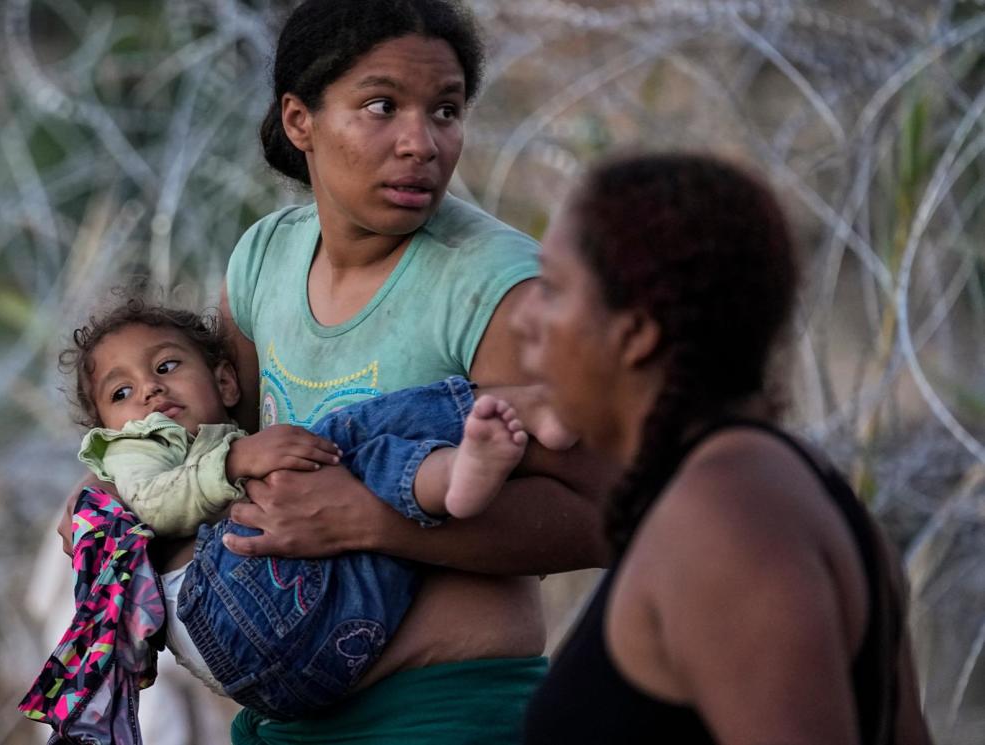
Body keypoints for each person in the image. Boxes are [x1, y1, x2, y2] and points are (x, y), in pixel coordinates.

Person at [68, 0, 608, 740]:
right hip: (291, 711)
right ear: (300, 120)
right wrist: (117, 501)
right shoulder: (264, 261)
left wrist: (373, 521)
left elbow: (601, 518)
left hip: (443, 710)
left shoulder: (496, 285)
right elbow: (225, 457)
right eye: (382, 106)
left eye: (445, 110)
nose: (420, 142)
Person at [517, 153, 932, 744]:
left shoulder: (725, 523)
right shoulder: (772, 487)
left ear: (636, 333)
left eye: (553, 291)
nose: (524, 322)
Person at [46, 298, 563, 722]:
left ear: (226, 384)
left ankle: (453, 477)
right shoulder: (136, 450)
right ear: (106, 436)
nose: (150, 390)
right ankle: (501, 420)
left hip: (308, 658)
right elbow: (154, 504)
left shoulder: (216, 438)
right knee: (335, 438)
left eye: (166, 366)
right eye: (122, 391)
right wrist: (233, 462)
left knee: (351, 478)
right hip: (220, 609)